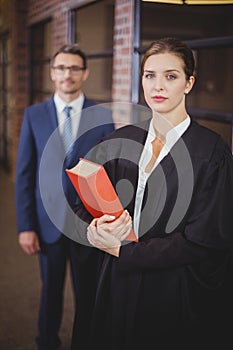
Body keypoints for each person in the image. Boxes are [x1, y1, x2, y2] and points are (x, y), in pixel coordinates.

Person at [73, 37, 233, 350]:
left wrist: (125, 251)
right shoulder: (122, 139)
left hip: (171, 291)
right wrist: (94, 229)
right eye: (150, 75)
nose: (157, 86)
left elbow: (203, 241)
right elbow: (83, 205)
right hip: (117, 282)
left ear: (188, 83)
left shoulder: (211, 151)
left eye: (170, 76)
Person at [15, 44, 115, 350]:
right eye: (60, 68)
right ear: (52, 72)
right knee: (51, 292)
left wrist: (107, 221)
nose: (67, 74)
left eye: (74, 68)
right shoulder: (34, 115)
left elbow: (109, 171)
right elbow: (25, 173)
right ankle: (46, 342)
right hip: (48, 224)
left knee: (87, 294)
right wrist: (25, 226)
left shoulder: (101, 114)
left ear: (84, 73)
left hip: (88, 225)